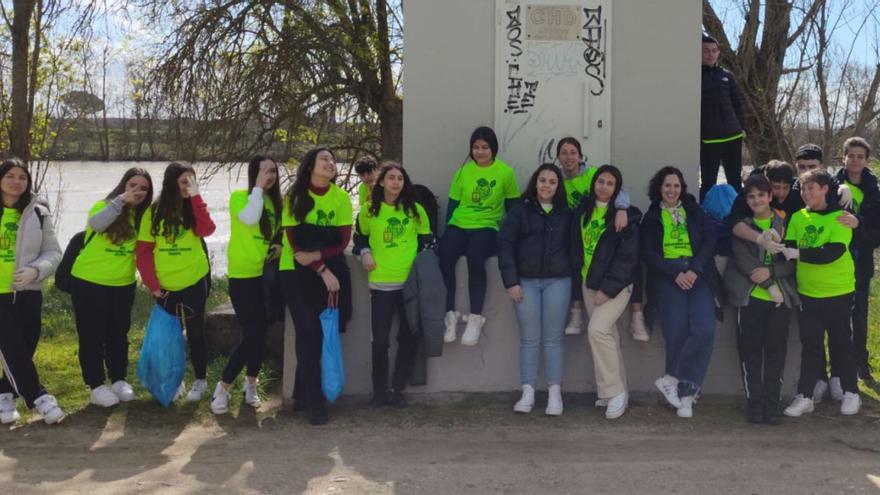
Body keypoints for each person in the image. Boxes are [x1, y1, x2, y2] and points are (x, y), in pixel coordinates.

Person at [71, 167, 154, 407]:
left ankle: (118, 379)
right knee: (92, 335)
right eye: (133, 185)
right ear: (123, 186)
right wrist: (120, 201)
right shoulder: (104, 206)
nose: (137, 191)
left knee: (118, 334)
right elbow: (97, 225)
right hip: (89, 281)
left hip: (122, 284)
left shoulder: (143, 217)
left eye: (143, 188)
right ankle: (96, 385)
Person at [642, 166, 721, 418]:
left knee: (705, 329)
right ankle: (683, 398)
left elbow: (710, 241)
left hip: (697, 274)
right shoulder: (651, 216)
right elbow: (648, 253)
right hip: (668, 278)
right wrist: (674, 272)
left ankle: (674, 380)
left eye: (676, 186)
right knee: (676, 334)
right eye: (667, 185)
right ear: (659, 187)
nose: (672, 190)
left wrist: (694, 269)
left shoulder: (694, 211)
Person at [783, 169, 862, 417]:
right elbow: (790, 248)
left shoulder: (841, 217)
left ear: (825, 189)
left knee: (841, 343)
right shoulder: (797, 217)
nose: (807, 194)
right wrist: (776, 243)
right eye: (804, 189)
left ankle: (851, 392)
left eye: (812, 189)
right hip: (808, 293)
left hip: (838, 291)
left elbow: (833, 252)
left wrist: (800, 254)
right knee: (811, 346)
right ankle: (805, 396)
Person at [283, 147, 353, 425]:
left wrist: (319, 253)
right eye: (324, 159)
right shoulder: (295, 197)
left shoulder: (341, 197)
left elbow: (342, 240)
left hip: (330, 268)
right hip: (297, 273)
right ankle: (315, 403)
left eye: (333, 160)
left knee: (321, 334)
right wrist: (320, 266)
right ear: (310, 165)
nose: (330, 163)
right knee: (308, 333)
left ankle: (303, 394)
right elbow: (295, 243)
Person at [353, 162, 432, 408]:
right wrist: (364, 252)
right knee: (380, 342)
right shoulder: (368, 211)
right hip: (381, 285)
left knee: (408, 338)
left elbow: (427, 242)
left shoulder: (415, 210)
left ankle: (398, 389)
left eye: (400, 178)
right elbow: (360, 239)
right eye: (391, 178)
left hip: (409, 286)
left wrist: (417, 268)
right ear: (381, 182)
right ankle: (379, 391)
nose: (396, 182)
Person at [136, 162, 216, 403]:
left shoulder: (195, 207)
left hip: (194, 279)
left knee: (194, 332)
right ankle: (174, 379)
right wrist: (152, 284)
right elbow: (143, 252)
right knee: (169, 335)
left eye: (192, 181)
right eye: (184, 182)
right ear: (172, 183)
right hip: (165, 285)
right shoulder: (153, 212)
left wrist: (196, 197)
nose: (188, 186)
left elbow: (208, 229)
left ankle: (200, 379)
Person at [498, 164, 572, 416]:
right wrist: (511, 281)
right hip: (525, 282)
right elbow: (506, 245)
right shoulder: (520, 210)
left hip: (558, 281)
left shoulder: (566, 212)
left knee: (553, 339)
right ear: (535, 182)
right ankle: (527, 391)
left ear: (558, 186)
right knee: (529, 339)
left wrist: (623, 207)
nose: (547, 185)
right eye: (543, 180)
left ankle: (554, 393)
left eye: (552, 181)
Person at [211, 155, 283, 414]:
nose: (269, 174)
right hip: (243, 276)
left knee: (261, 334)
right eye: (264, 170)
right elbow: (251, 219)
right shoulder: (241, 198)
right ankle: (222, 387)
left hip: (266, 277)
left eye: (273, 170)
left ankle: (251, 383)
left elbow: (279, 231)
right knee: (252, 333)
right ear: (254, 173)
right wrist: (258, 189)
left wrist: (279, 244)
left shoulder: (276, 203)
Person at [723, 175, 797, 424]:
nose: (757, 200)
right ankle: (754, 403)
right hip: (751, 298)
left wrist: (773, 273)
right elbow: (743, 260)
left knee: (775, 351)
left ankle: (772, 403)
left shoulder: (786, 223)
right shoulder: (743, 225)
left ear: (770, 196)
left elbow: (794, 262)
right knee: (750, 352)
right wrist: (765, 282)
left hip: (780, 300)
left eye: (761, 195)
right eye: (751, 196)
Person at [553, 137, 643, 340]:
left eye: (573, 152)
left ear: (580, 155)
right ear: (558, 156)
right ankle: (575, 312)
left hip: (603, 228)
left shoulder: (594, 173)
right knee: (574, 259)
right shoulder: (558, 179)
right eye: (564, 152)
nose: (569, 157)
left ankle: (638, 314)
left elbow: (618, 188)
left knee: (632, 260)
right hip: (576, 229)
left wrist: (621, 209)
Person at [570, 165, 641, 419]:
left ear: (617, 189)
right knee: (607, 334)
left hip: (617, 286)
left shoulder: (625, 217)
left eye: (610, 183)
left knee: (597, 330)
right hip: (589, 283)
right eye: (601, 181)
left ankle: (616, 392)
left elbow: (627, 259)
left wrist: (608, 290)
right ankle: (614, 391)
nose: (604, 186)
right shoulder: (583, 210)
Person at [439, 126, 519, 346]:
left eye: (485, 147)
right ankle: (450, 316)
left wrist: (512, 239)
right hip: (460, 223)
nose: (480, 151)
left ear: (493, 149)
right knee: (445, 255)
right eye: (476, 147)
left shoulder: (505, 173)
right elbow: (453, 206)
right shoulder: (463, 172)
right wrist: (448, 233)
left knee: (476, 257)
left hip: (487, 227)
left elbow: (513, 208)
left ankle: (475, 318)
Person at [0, 158, 64, 424]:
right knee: (12, 347)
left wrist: (36, 270)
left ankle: (4, 395)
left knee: (25, 347)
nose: (17, 182)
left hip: (29, 292)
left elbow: (53, 252)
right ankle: (39, 397)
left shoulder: (38, 212)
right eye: (10, 176)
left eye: (22, 177)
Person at [834, 137, 880, 381]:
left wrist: (858, 224)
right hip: (833, 261)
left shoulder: (874, 190)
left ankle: (861, 363)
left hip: (861, 261)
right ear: (843, 157)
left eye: (860, 156)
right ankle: (838, 368)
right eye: (851, 155)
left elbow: (876, 233)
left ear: (866, 160)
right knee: (837, 316)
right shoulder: (831, 185)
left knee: (859, 315)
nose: (855, 160)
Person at [700, 34, 746, 200]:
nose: (710, 54)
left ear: (719, 53)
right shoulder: (694, 75)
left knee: (735, 181)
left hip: (733, 137)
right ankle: (706, 216)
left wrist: (743, 128)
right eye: (706, 51)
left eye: (714, 51)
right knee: (708, 183)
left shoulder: (727, 75)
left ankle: (738, 215)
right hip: (709, 140)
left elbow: (738, 103)